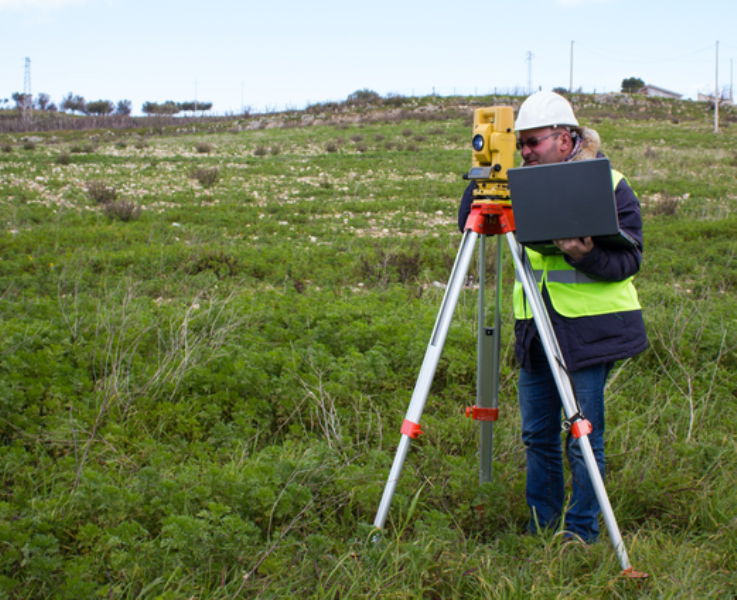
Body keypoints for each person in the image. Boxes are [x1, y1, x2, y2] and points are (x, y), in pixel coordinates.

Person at [458, 91, 647, 543]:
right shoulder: (516, 182)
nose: (525, 152)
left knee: (581, 435)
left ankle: (580, 532)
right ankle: (540, 525)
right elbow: (469, 219)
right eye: (519, 143)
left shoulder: (610, 183)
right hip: (535, 328)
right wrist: (488, 173)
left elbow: (630, 260)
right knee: (536, 433)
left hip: (591, 329)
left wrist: (586, 256)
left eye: (533, 143)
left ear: (565, 138)